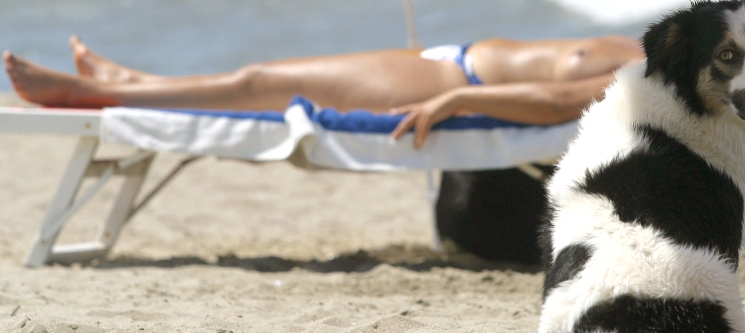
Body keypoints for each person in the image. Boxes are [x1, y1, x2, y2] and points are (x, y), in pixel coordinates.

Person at [4, 35, 645, 148]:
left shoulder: (655, 74)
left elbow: (562, 103)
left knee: (260, 83)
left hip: (452, 81)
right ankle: (131, 83)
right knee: (265, 73)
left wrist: (456, 101)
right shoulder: (665, 39)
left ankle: (96, 94)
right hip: (450, 60)